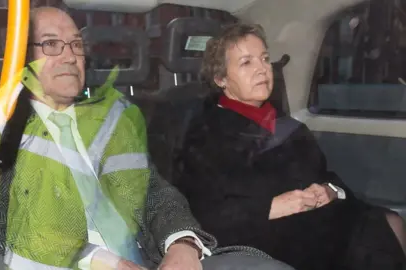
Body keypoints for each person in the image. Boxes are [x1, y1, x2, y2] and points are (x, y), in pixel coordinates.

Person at [0, 7, 295, 270]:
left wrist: (182, 243)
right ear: (24, 58)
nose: (70, 56)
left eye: (76, 44)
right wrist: (101, 260)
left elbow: (155, 192)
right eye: (52, 44)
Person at [172, 23, 406, 270]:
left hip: (317, 223)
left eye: (264, 59)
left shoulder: (286, 125)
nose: (262, 69)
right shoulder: (205, 136)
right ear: (221, 79)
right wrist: (271, 207)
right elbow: (203, 212)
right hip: (267, 237)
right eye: (246, 63)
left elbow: (325, 173)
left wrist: (330, 191)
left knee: (386, 221)